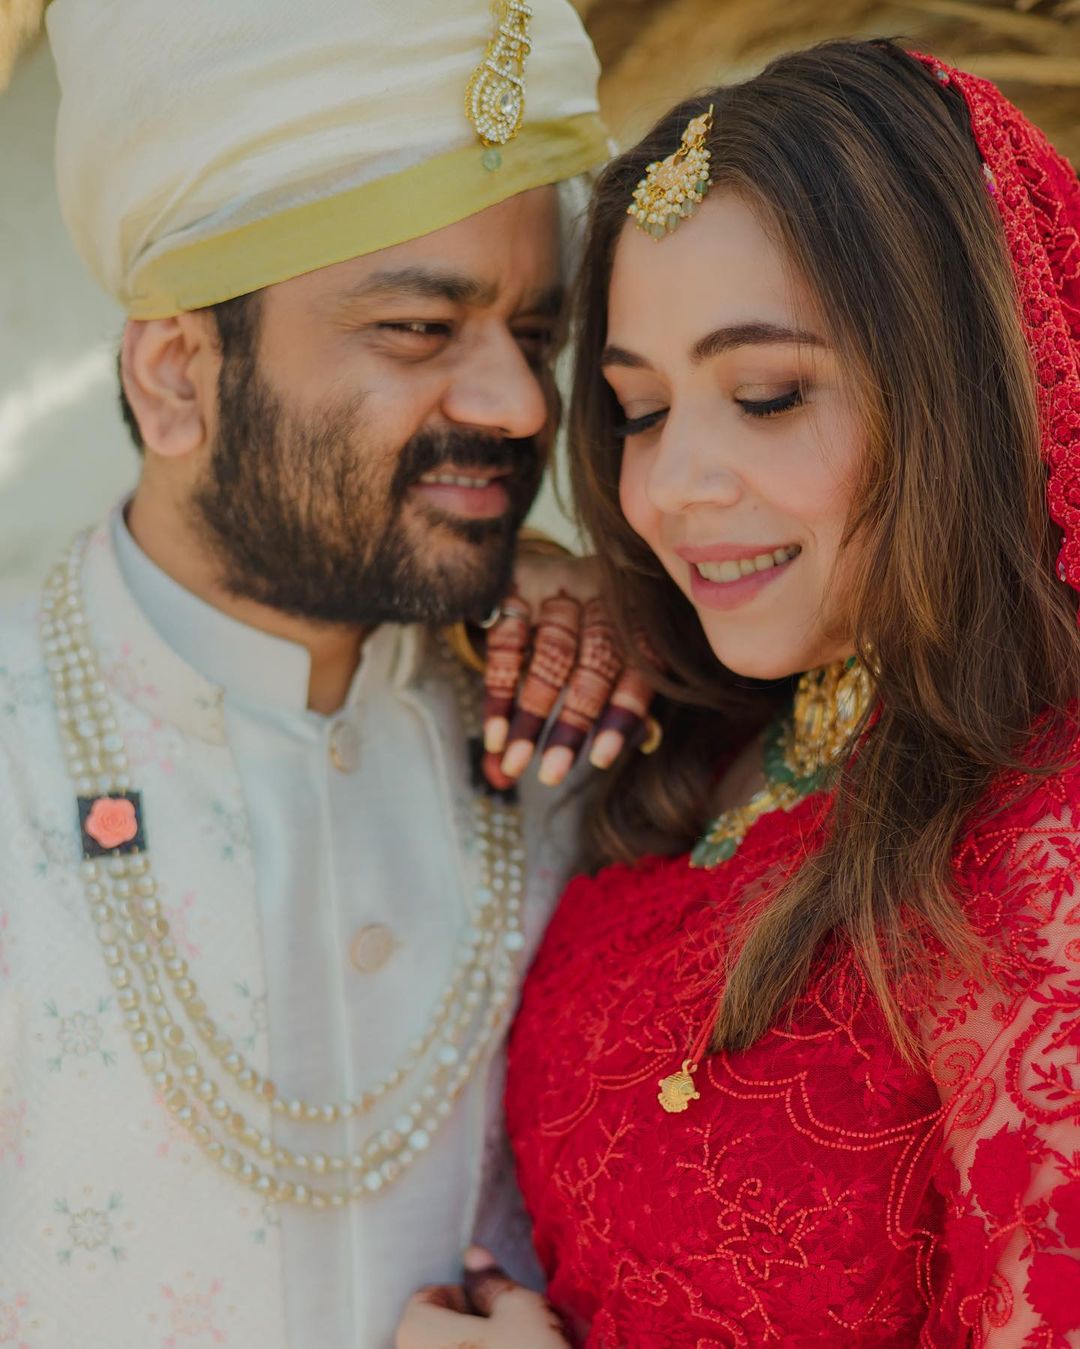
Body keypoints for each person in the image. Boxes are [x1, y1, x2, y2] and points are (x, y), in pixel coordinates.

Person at [395, 38, 1080, 1349]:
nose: (670, 489)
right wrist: (536, 577)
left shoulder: (1047, 855)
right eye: (639, 410)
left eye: (767, 395)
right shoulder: (722, 739)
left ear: (965, 387)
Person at [0, 3, 659, 1346]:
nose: (522, 405)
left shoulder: (587, 719)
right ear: (176, 376)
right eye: (419, 327)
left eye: (536, 336)